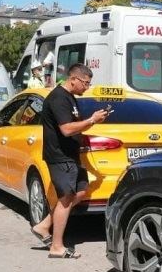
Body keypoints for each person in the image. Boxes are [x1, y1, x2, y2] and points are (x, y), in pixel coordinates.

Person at [30, 63, 108, 259]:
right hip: (60, 157)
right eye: (85, 83)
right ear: (73, 79)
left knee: (80, 192)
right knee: (66, 199)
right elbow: (66, 129)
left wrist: (94, 122)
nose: (87, 87)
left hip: (71, 156)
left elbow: (76, 127)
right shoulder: (58, 98)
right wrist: (91, 120)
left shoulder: (70, 98)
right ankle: (56, 247)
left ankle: (44, 225)